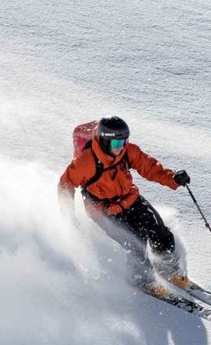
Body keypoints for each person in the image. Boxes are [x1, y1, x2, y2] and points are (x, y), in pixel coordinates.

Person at [58, 116, 191, 283]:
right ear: (105, 141)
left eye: (124, 142)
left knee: (158, 230)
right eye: (117, 144)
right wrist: (69, 213)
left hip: (130, 199)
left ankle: (168, 267)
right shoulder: (86, 162)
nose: (121, 148)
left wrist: (173, 178)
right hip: (104, 210)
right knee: (135, 241)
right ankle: (141, 278)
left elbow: (149, 167)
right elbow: (66, 183)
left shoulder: (127, 151)